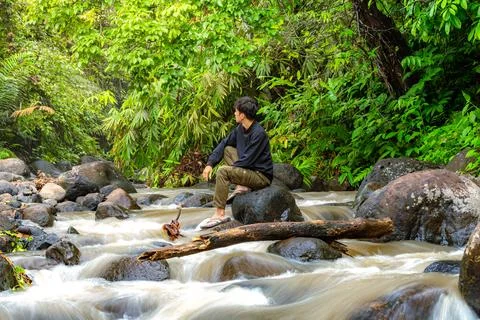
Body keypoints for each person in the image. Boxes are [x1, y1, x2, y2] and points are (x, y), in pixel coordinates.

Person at [200, 96, 273, 228]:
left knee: (223, 172)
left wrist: (230, 171)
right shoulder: (240, 129)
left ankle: (219, 213)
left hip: (260, 176)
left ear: (243, 115)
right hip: (248, 169)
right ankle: (243, 186)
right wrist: (210, 164)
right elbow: (224, 144)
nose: (234, 113)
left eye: (236, 111)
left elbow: (248, 160)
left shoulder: (259, 133)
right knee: (228, 149)